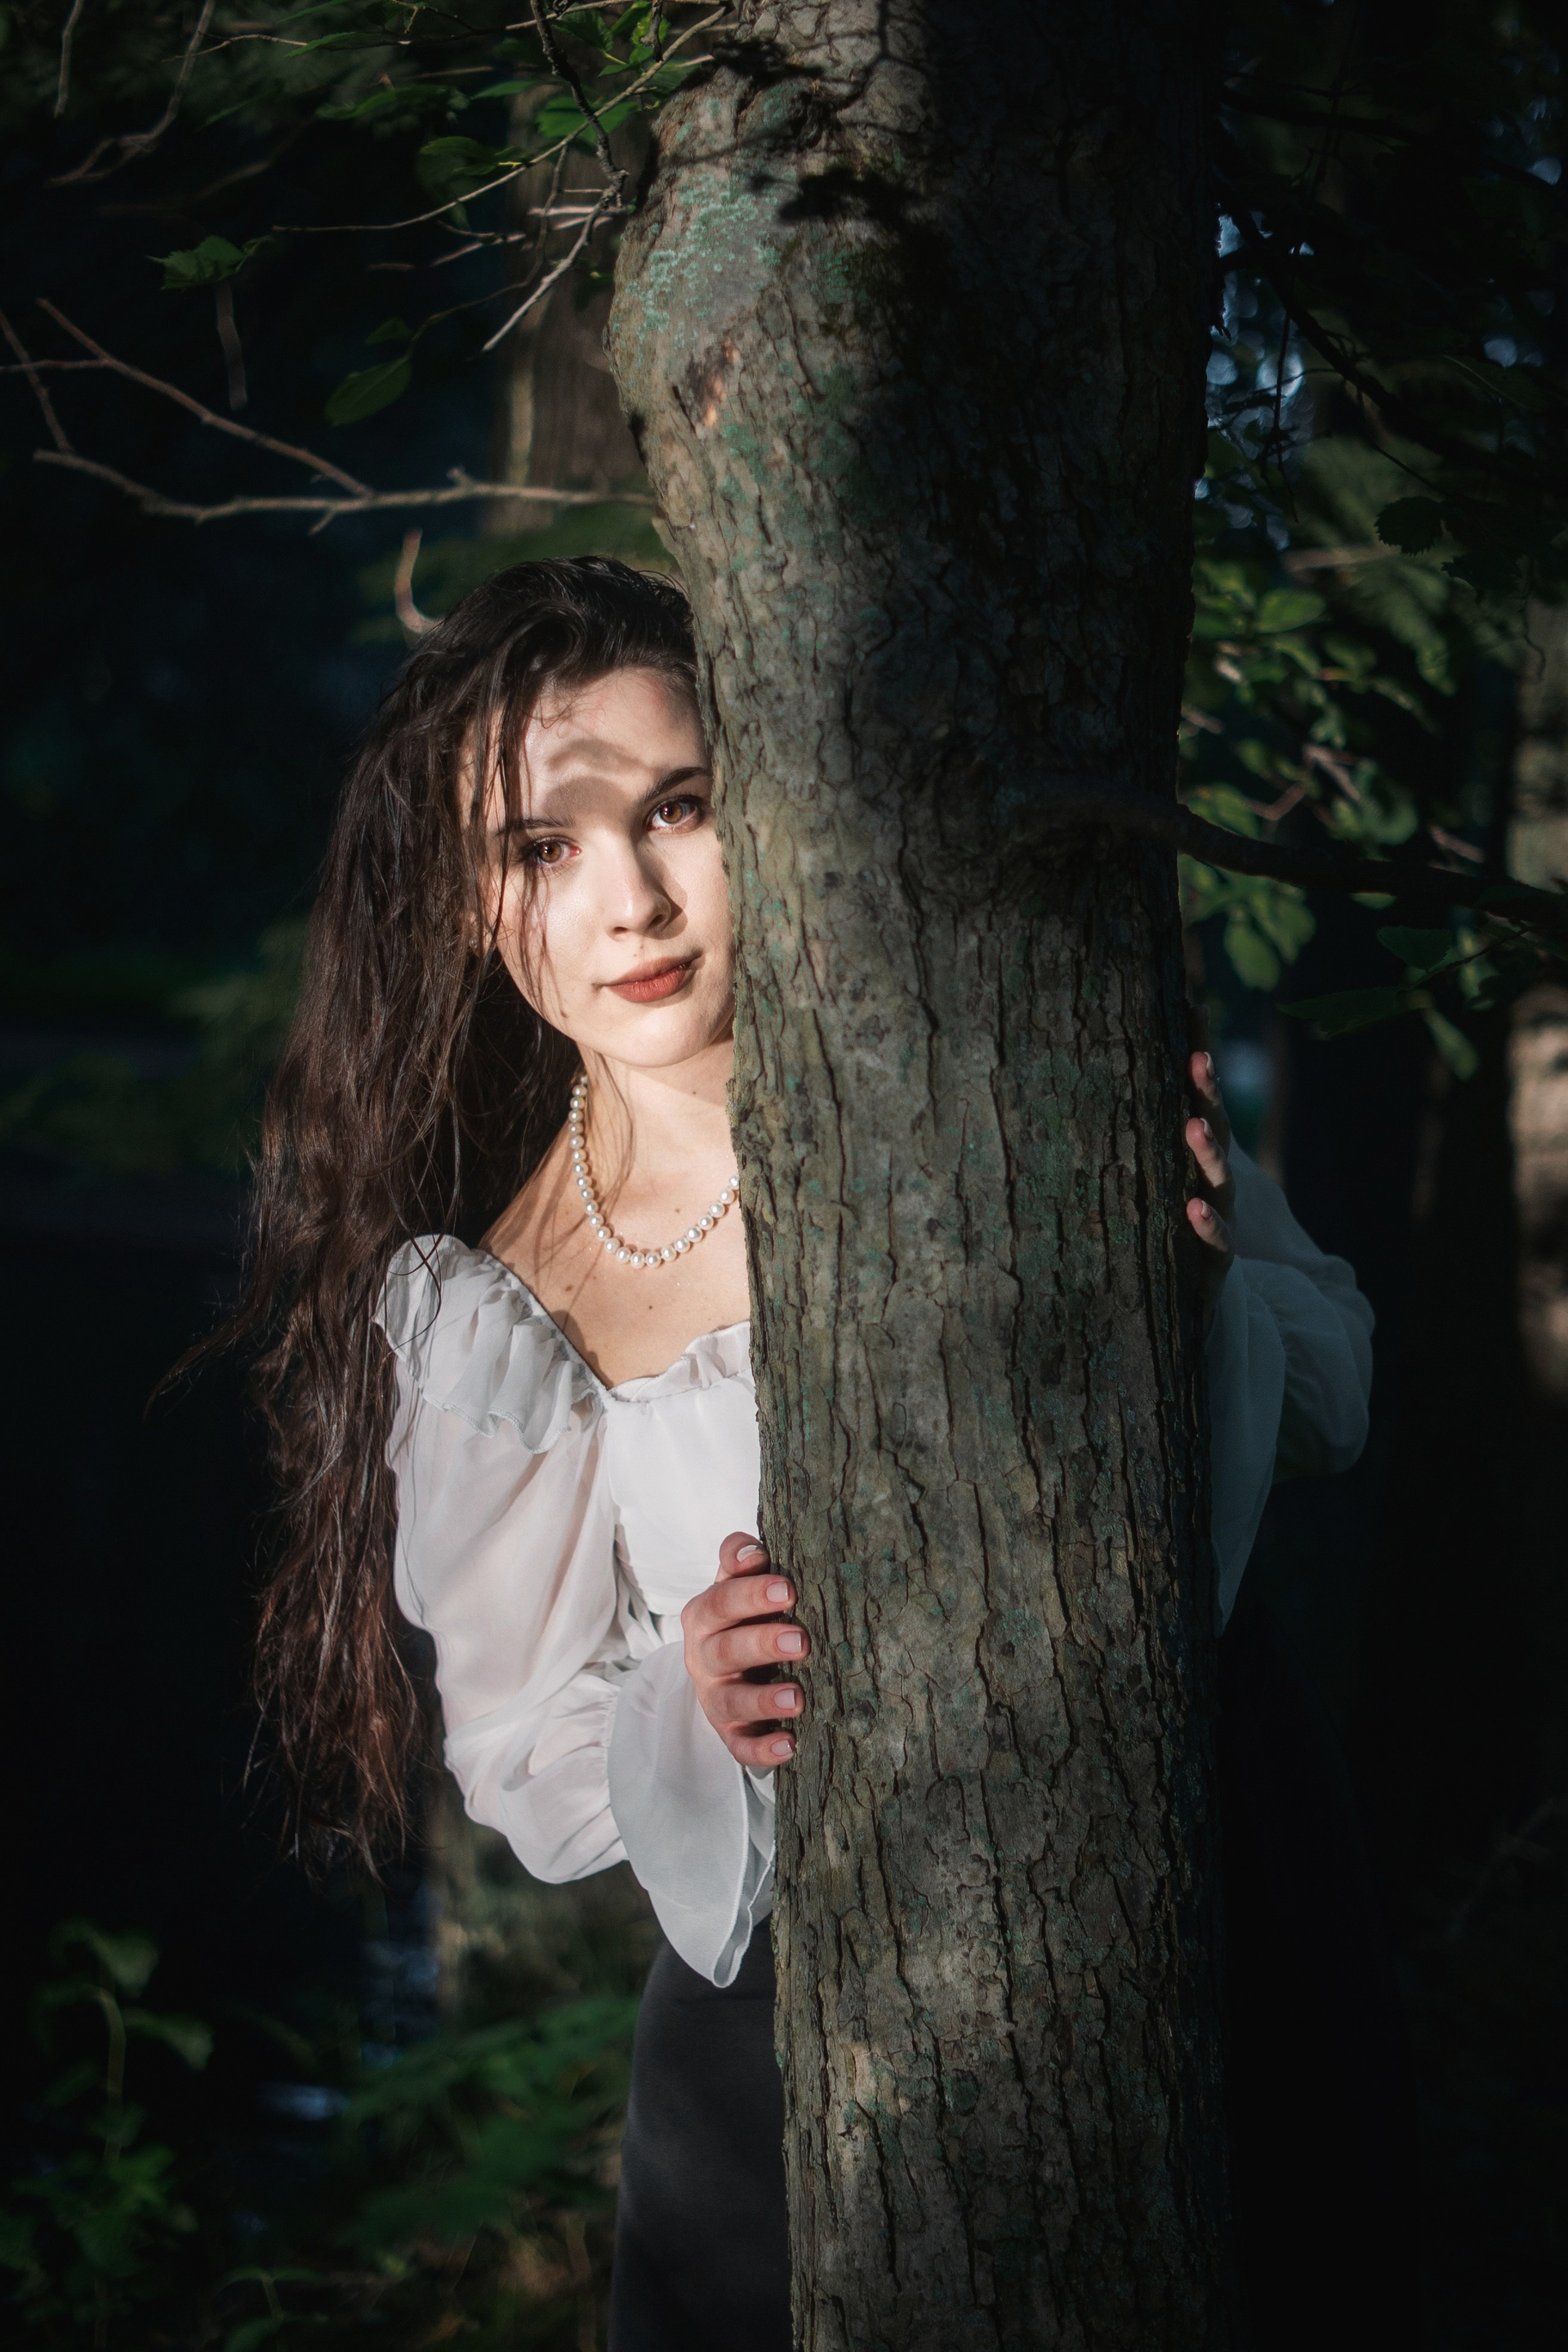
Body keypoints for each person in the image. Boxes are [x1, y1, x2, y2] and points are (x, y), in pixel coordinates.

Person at [239, 558, 1376, 2350]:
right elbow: (524, 1765)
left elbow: (1331, 1399)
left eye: (681, 806)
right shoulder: (503, 1311)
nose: (630, 899)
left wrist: (1199, 1284)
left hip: (1211, 1847)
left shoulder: (1016, 1063)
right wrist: (687, 1693)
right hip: (801, 1999)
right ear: (466, 902)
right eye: (543, 847)